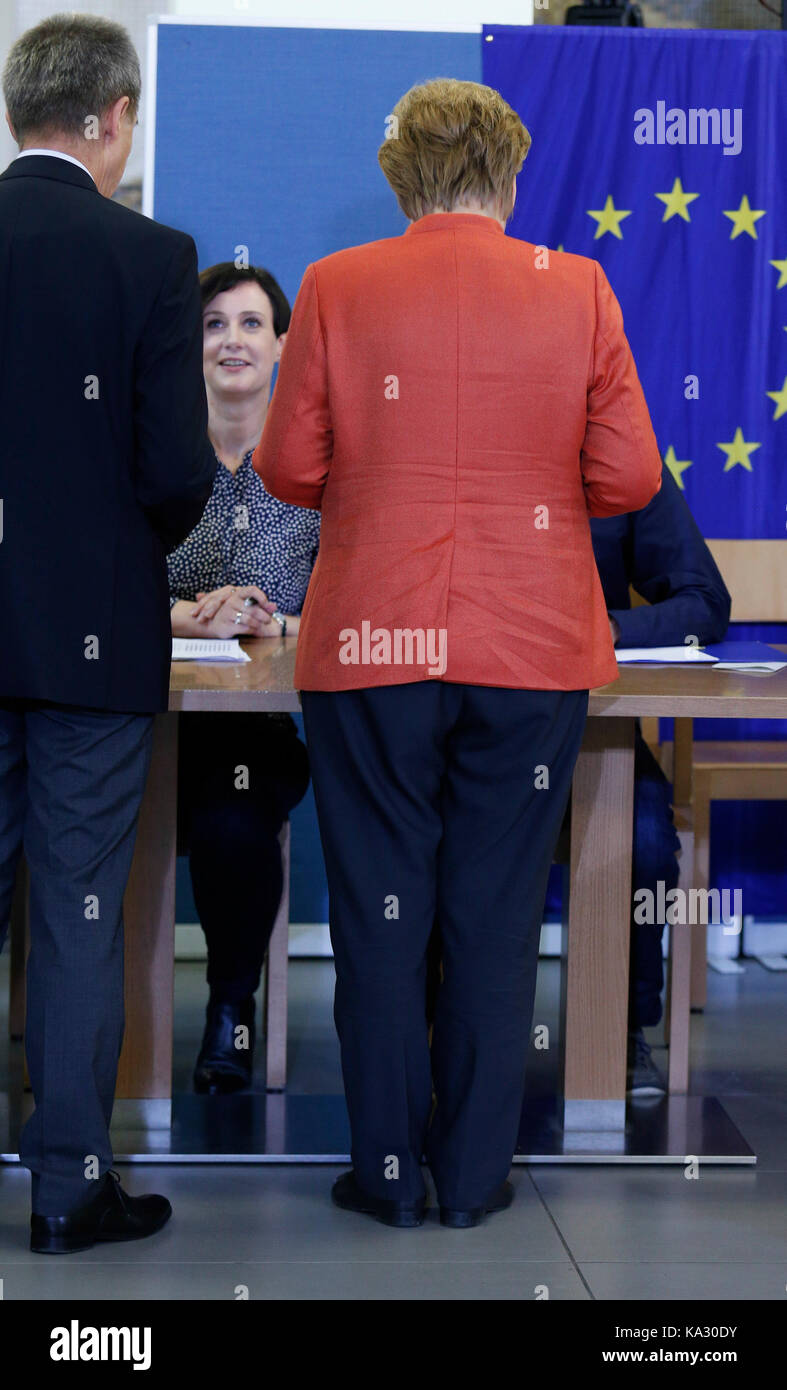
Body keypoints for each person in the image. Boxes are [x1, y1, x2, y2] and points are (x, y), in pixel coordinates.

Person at [254, 78, 662, 1228]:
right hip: (527, 642)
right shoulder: (576, 287)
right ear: (512, 170)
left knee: (381, 914)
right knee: (490, 917)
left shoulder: (336, 286)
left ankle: (384, 1173)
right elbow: (627, 480)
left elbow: (287, 470)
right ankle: (475, 1177)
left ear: (399, 175)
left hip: (372, 641)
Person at [0, 15, 216, 1253]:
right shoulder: (149, 256)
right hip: (91, 638)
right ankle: (69, 1189)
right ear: (113, 118)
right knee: (79, 910)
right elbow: (176, 472)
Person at [168, 263, 319, 1093]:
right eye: (213, 323)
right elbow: (102, 581)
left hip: (256, 729)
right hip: (141, 720)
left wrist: (276, 621)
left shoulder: (312, 469)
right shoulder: (157, 457)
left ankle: (230, 1009)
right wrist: (183, 616)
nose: (231, 340)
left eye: (251, 323)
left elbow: (348, 598)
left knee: (233, 826)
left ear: (283, 345)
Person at [594, 464, 731, 1094]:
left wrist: (614, 628)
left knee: (646, 837)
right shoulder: (452, 438)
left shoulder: (621, 463)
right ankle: (436, 1037)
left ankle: (624, 1025)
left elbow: (703, 601)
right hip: (469, 731)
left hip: (590, 732)